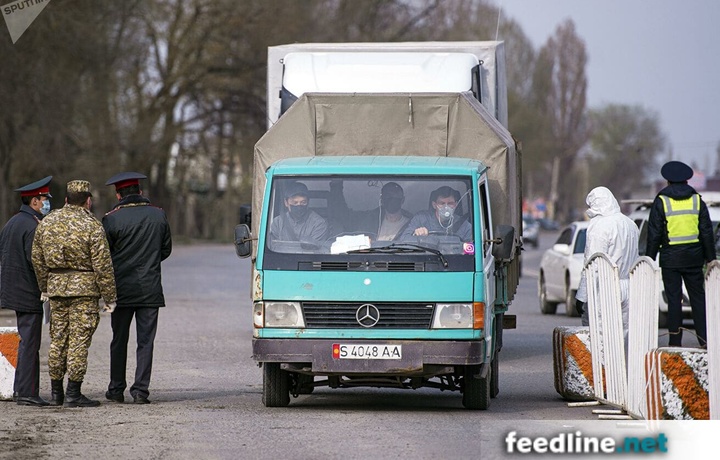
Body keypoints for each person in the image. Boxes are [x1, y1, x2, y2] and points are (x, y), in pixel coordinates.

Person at [31, 180, 117, 408]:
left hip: (56, 289)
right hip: (85, 292)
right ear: (88, 201)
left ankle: (56, 392)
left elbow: (37, 259)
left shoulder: (47, 223)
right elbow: (103, 265)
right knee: (79, 341)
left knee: (57, 339)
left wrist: (45, 286)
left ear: (66, 199)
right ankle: (73, 392)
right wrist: (109, 296)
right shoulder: (93, 226)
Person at [102, 172, 172, 405]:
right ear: (140, 192)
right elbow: (166, 250)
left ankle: (115, 389)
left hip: (121, 290)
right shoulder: (158, 215)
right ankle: (140, 390)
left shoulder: (111, 219)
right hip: (150, 289)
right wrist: (149, 262)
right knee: (146, 342)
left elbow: (106, 256)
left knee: (118, 340)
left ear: (118, 194)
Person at [646, 161, 716, 347]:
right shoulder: (697, 200)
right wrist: (711, 258)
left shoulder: (661, 201)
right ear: (687, 180)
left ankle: (675, 342)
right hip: (694, 259)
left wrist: (649, 257)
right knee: (698, 300)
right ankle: (704, 340)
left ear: (667, 181)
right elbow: (707, 231)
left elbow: (654, 232)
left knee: (674, 301)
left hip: (670, 260)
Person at [0, 176, 53, 407]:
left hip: (12, 289)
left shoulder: (12, 222)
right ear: (34, 201)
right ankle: (27, 392)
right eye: (44, 199)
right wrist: (45, 287)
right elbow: (37, 262)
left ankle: (21, 388)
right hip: (27, 291)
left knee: (25, 341)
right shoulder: (33, 225)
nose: (46, 204)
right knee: (30, 343)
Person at [574, 187, 639, 353]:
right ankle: (624, 374)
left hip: (605, 287)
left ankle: (602, 373)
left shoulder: (600, 226)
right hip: (629, 286)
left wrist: (582, 296)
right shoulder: (630, 224)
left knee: (600, 335)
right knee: (625, 334)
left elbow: (593, 264)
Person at [400, 186, 472, 241]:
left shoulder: (464, 226)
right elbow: (403, 239)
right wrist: (416, 234)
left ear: (456, 204)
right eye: (442, 203)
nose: (446, 207)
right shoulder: (421, 219)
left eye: (450, 203)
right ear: (434, 205)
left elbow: (472, 248)